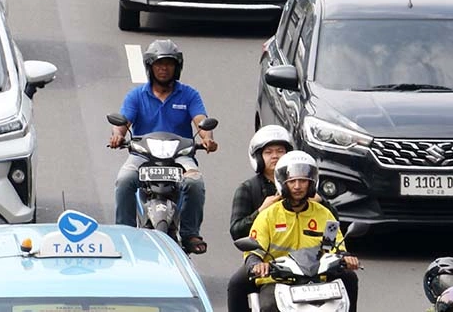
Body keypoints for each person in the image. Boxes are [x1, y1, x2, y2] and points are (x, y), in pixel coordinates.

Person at [108, 39, 216, 255]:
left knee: (195, 182)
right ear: (150, 67)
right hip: (143, 155)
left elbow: (201, 120)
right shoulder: (136, 96)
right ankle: (124, 232)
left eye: (169, 63)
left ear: (177, 67)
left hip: (180, 155)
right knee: (124, 180)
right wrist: (118, 136)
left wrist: (207, 138)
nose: (164, 68)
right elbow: (122, 124)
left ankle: (190, 233)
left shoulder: (189, 94)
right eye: (159, 64)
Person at [244, 151, 360, 312]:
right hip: (279, 280)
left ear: (311, 183)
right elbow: (254, 250)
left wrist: (346, 258)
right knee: (266, 305)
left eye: (302, 181)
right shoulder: (267, 216)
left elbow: (336, 246)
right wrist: (256, 264)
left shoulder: (324, 214)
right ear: (282, 183)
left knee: (349, 279)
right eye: (292, 181)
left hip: (318, 278)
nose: (297, 186)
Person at [225, 126, 295, 312]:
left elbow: (330, 221)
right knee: (236, 286)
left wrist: (322, 201)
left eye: (280, 151)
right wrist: (261, 211)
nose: (275, 156)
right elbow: (237, 231)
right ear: (258, 157)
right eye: (268, 152)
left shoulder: (302, 183)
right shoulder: (248, 189)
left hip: (305, 260)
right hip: (265, 261)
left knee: (347, 278)